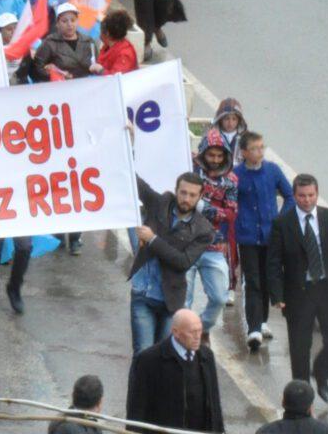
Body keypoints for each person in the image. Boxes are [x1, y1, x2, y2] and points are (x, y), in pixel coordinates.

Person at [264, 173, 328, 405]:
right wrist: (277, 295)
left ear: (317, 194)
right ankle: (302, 400)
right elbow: (273, 263)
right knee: (299, 348)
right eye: (302, 196)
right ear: (294, 196)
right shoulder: (282, 224)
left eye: (311, 195)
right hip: (298, 293)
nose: (307, 200)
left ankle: (322, 372)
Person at [130, 173, 217, 349]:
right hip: (143, 293)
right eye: (183, 193)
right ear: (176, 191)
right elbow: (136, 183)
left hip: (170, 301)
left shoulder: (204, 230)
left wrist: (153, 239)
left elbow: (183, 262)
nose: (186, 199)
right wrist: (124, 153)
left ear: (200, 197)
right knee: (142, 354)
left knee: (164, 358)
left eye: (192, 195)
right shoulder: (160, 202)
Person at [235, 130, 293, 350]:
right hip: (248, 237)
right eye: (255, 148)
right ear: (244, 152)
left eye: (262, 147)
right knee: (252, 281)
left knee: (268, 279)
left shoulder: (273, 170)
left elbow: (289, 195)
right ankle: (254, 329)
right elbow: (230, 202)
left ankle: (263, 321)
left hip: (271, 236)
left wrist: (280, 219)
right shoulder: (237, 175)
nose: (260, 151)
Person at [125, 308, 224, 433]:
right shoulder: (149, 360)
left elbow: (214, 402)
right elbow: (136, 409)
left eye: (199, 331)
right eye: (192, 332)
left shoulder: (206, 356)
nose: (197, 336)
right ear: (175, 332)